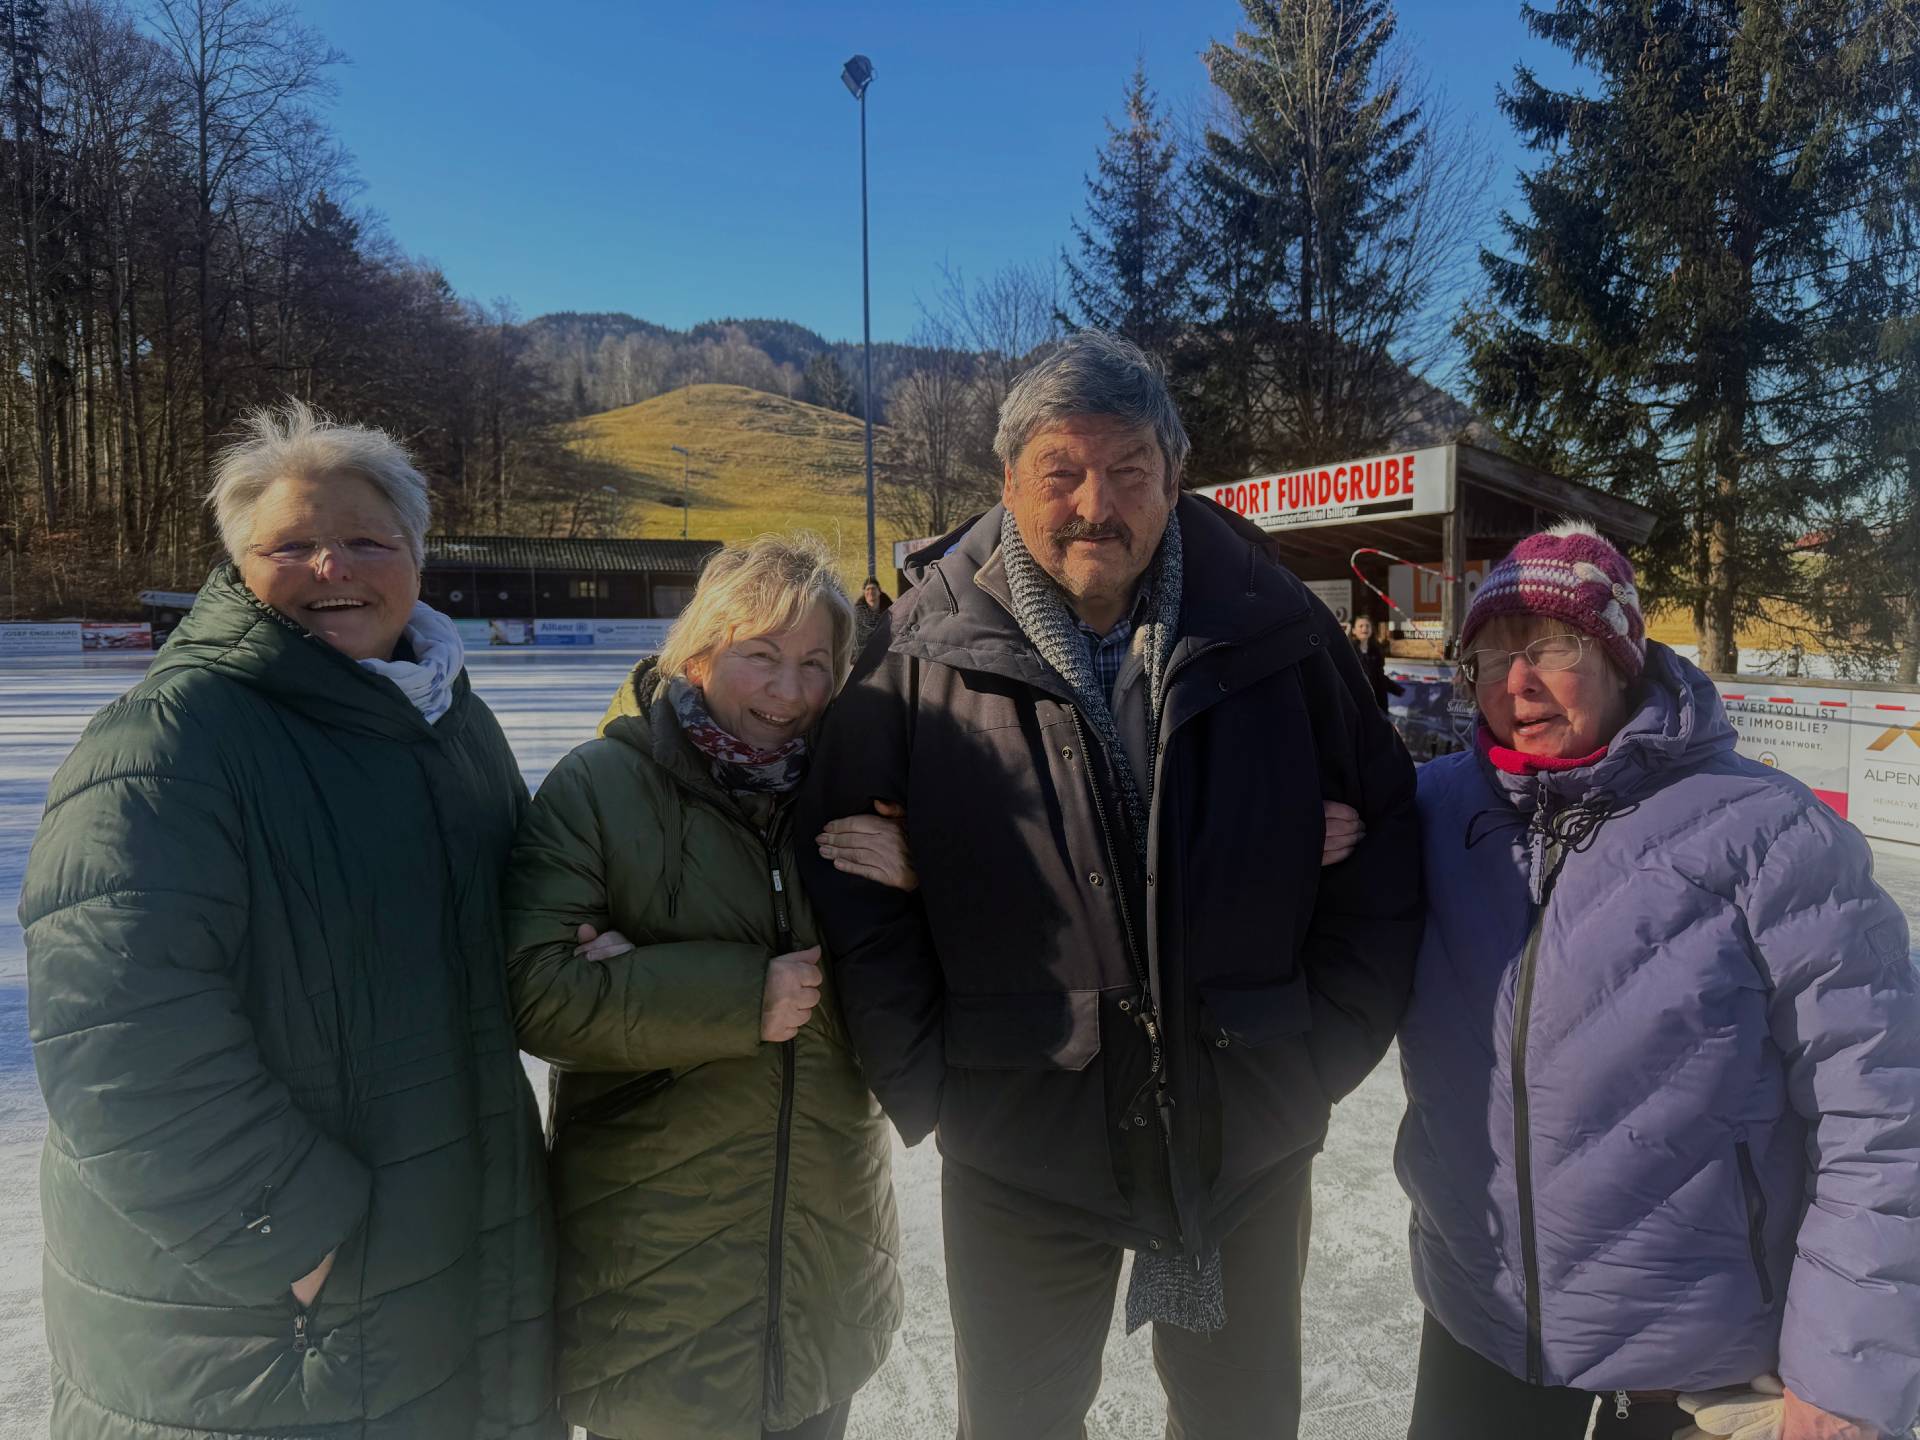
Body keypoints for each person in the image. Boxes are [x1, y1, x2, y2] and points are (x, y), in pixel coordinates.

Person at [796, 331, 1423, 1440]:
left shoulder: (1276, 631)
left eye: (1131, 471)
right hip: (1022, 1131)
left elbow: (1384, 846)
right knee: (1022, 1423)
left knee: (1239, 1419)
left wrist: (1313, 1056)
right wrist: (934, 1075)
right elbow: (847, 878)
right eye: (1063, 473)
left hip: (1244, 1131)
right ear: (1009, 484)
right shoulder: (915, 653)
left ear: (1175, 478)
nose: (1099, 505)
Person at [19, 401, 559, 1438]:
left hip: (440, 1261)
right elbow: (117, 1035)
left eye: (366, 540)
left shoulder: (452, 723)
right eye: (292, 545)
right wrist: (285, 1242)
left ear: (416, 555)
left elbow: (510, 921)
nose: (332, 568)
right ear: (235, 563)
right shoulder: (170, 742)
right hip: (266, 1325)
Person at [1397, 524, 1920, 1440]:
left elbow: (1883, 1108)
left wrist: (1847, 1370)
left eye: (1550, 649)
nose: (1515, 682)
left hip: (1693, 1378)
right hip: (1481, 1333)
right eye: (1488, 657)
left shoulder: (1769, 833)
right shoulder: (1431, 812)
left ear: (1619, 653)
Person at [501, 533, 908, 1440]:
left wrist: (927, 876)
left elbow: (946, 966)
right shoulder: (600, 787)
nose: (789, 693)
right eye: (760, 657)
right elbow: (535, 989)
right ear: (699, 653)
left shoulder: (859, 795)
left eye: (813, 664)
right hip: (654, 1281)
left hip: (825, 1257)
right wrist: (735, 996)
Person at [1350, 613, 1403, 711]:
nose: (1364, 629)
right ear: (1353, 630)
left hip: (1376, 701)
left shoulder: (1376, 651)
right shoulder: (1349, 651)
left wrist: (1398, 690)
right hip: (1356, 701)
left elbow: (1379, 677)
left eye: (1367, 626)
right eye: (1361, 626)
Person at [853, 575, 891, 650]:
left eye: (873, 588)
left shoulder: (890, 610)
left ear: (879, 591)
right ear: (864, 593)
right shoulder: (857, 614)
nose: (870, 592)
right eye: (868, 589)